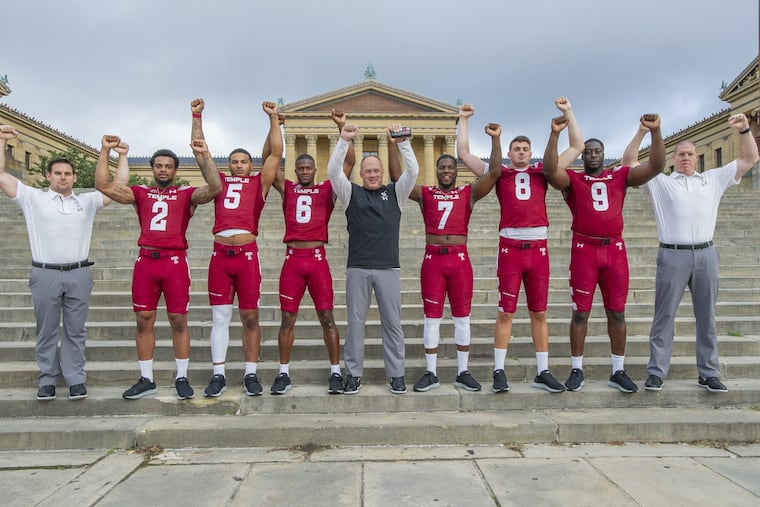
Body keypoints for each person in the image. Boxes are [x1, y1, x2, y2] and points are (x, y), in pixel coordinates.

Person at [622, 113, 758, 393]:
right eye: (681, 154)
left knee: (706, 317)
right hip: (672, 254)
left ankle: (708, 372)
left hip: (706, 253)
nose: (686, 158)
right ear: (673, 158)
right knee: (664, 316)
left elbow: (748, 160)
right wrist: (641, 132)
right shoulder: (661, 182)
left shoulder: (713, 179)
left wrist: (745, 131)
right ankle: (657, 371)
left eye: (690, 154)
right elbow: (629, 163)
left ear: (696, 158)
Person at [457, 99, 583, 393]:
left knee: (539, 312)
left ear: (531, 152)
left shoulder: (543, 171)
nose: (521, 152)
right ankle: (499, 370)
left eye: (525, 148)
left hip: (538, 247)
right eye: (517, 149)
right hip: (510, 247)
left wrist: (568, 113)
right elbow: (464, 153)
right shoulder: (499, 173)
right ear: (510, 153)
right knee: (506, 311)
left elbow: (575, 147)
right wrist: (463, 120)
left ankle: (543, 371)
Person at [542, 112, 665, 393]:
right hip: (584, 250)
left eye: (597, 151)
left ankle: (618, 370)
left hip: (614, 251)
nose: (593, 155)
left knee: (617, 313)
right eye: (588, 152)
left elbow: (656, 165)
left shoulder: (619, 175)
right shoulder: (574, 180)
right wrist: (554, 135)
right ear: (582, 156)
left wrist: (656, 132)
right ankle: (576, 369)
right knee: (580, 314)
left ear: (604, 154)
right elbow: (549, 171)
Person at [95, 131, 221, 400]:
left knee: (178, 320)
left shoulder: (186, 195)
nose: (163, 170)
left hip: (174, 262)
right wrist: (106, 151)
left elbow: (215, 188)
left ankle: (182, 376)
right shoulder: (140, 193)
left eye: (168, 166)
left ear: (175, 170)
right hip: (146, 261)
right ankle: (146, 378)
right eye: (159, 166)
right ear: (152, 169)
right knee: (143, 320)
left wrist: (204, 155)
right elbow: (103, 186)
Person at [0, 125, 121, 401]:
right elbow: (1, 176)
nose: (63, 177)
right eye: (58, 173)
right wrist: (1, 140)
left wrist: (114, 154)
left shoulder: (86, 201)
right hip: (45, 273)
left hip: (79, 272)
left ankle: (76, 378)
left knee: (76, 330)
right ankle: (47, 379)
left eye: (68, 173)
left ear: (74, 177)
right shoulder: (33, 198)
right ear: (48, 175)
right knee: (46, 330)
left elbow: (117, 188)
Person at [388, 119, 502, 392]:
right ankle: (431, 372)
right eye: (443, 167)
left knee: (462, 317)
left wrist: (495, 140)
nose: (447, 171)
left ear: (456, 171)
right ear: (437, 171)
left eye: (451, 167)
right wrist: (393, 145)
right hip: (433, 260)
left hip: (459, 260)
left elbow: (496, 172)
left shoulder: (469, 193)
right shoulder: (425, 193)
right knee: (432, 318)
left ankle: (463, 371)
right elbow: (396, 179)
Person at [190, 99, 282, 398]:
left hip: (246, 255)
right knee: (219, 318)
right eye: (234, 161)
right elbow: (200, 152)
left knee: (250, 317)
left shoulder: (259, 184)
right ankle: (218, 374)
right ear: (228, 164)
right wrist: (197, 116)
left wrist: (273, 120)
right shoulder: (218, 182)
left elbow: (276, 153)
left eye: (243, 161)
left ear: (250, 165)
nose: (238, 165)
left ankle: (250, 374)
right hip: (220, 256)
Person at [327, 123, 419, 394]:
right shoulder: (349, 193)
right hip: (358, 268)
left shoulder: (396, 193)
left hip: (388, 268)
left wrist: (402, 142)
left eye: (376, 171)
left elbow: (412, 171)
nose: (372, 174)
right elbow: (333, 171)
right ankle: (353, 373)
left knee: (393, 324)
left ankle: (397, 374)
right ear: (361, 174)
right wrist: (343, 140)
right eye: (367, 171)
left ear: (382, 173)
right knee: (355, 325)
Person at [269, 109, 354, 395]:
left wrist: (343, 130)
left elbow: (349, 164)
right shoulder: (289, 188)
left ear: (315, 170)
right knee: (287, 318)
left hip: (317, 260)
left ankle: (334, 371)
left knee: (327, 317)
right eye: (300, 168)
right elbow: (270, 162)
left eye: (308, 168)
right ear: (296, 170)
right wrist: (274, 125)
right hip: (292, 260)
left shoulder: (327, 190)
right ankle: (283, 373)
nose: (304, 171)